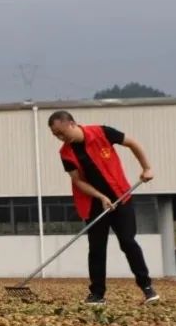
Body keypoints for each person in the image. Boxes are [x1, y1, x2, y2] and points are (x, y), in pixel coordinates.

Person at [47, 111, 159, 305]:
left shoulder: (102, 132)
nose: (60, 138)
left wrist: (146, 167)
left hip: (121, 196)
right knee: (97, 248)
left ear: (72, 124)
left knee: (128, 241)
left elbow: (132, 143)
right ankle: (97, 294)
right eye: (56, 135)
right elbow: (78, 181)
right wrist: (100, 197)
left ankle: (147, 287)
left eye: (61, 132)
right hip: (93, 203)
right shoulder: (65, 153)